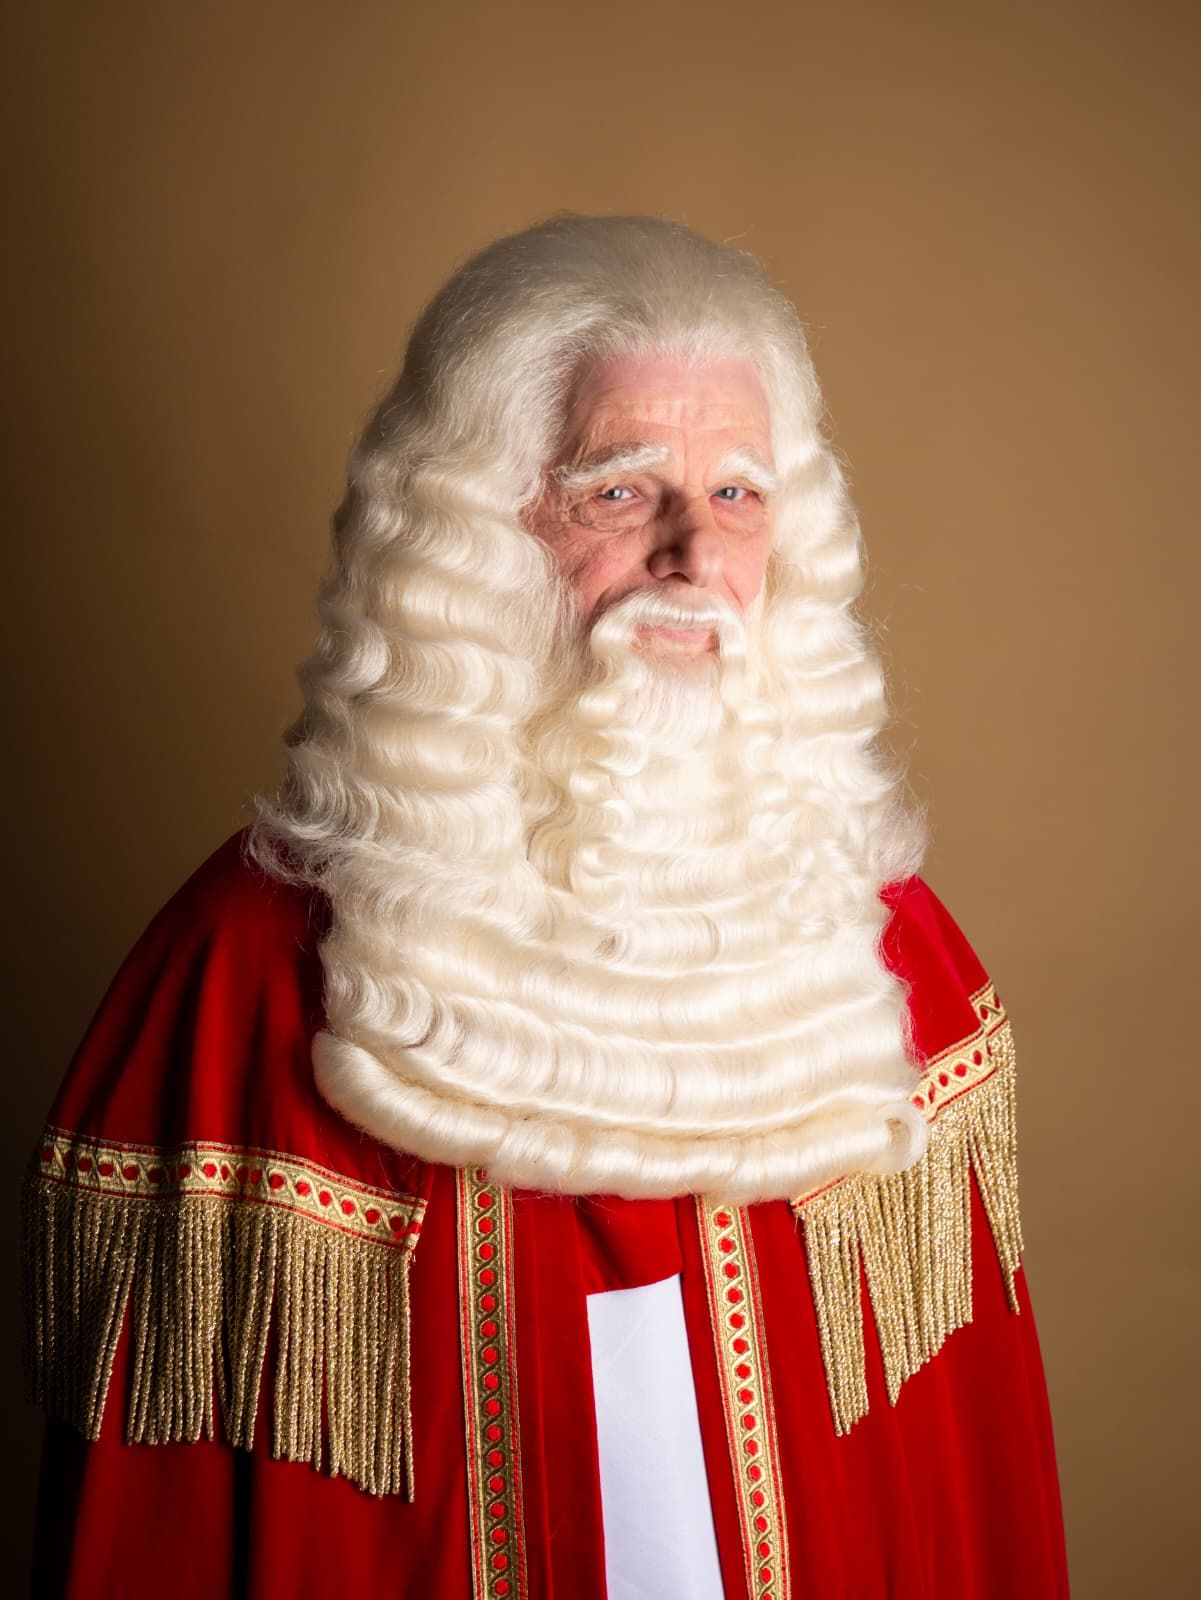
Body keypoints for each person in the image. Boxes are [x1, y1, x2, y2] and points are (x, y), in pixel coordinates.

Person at [23, 214, 1069, 1598]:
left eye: (741, 495)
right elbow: (155, 1533)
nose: (696, 554)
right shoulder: (242, 978)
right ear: (475, 535)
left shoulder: (896, 963)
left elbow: (962, 1489)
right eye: (621, 492)